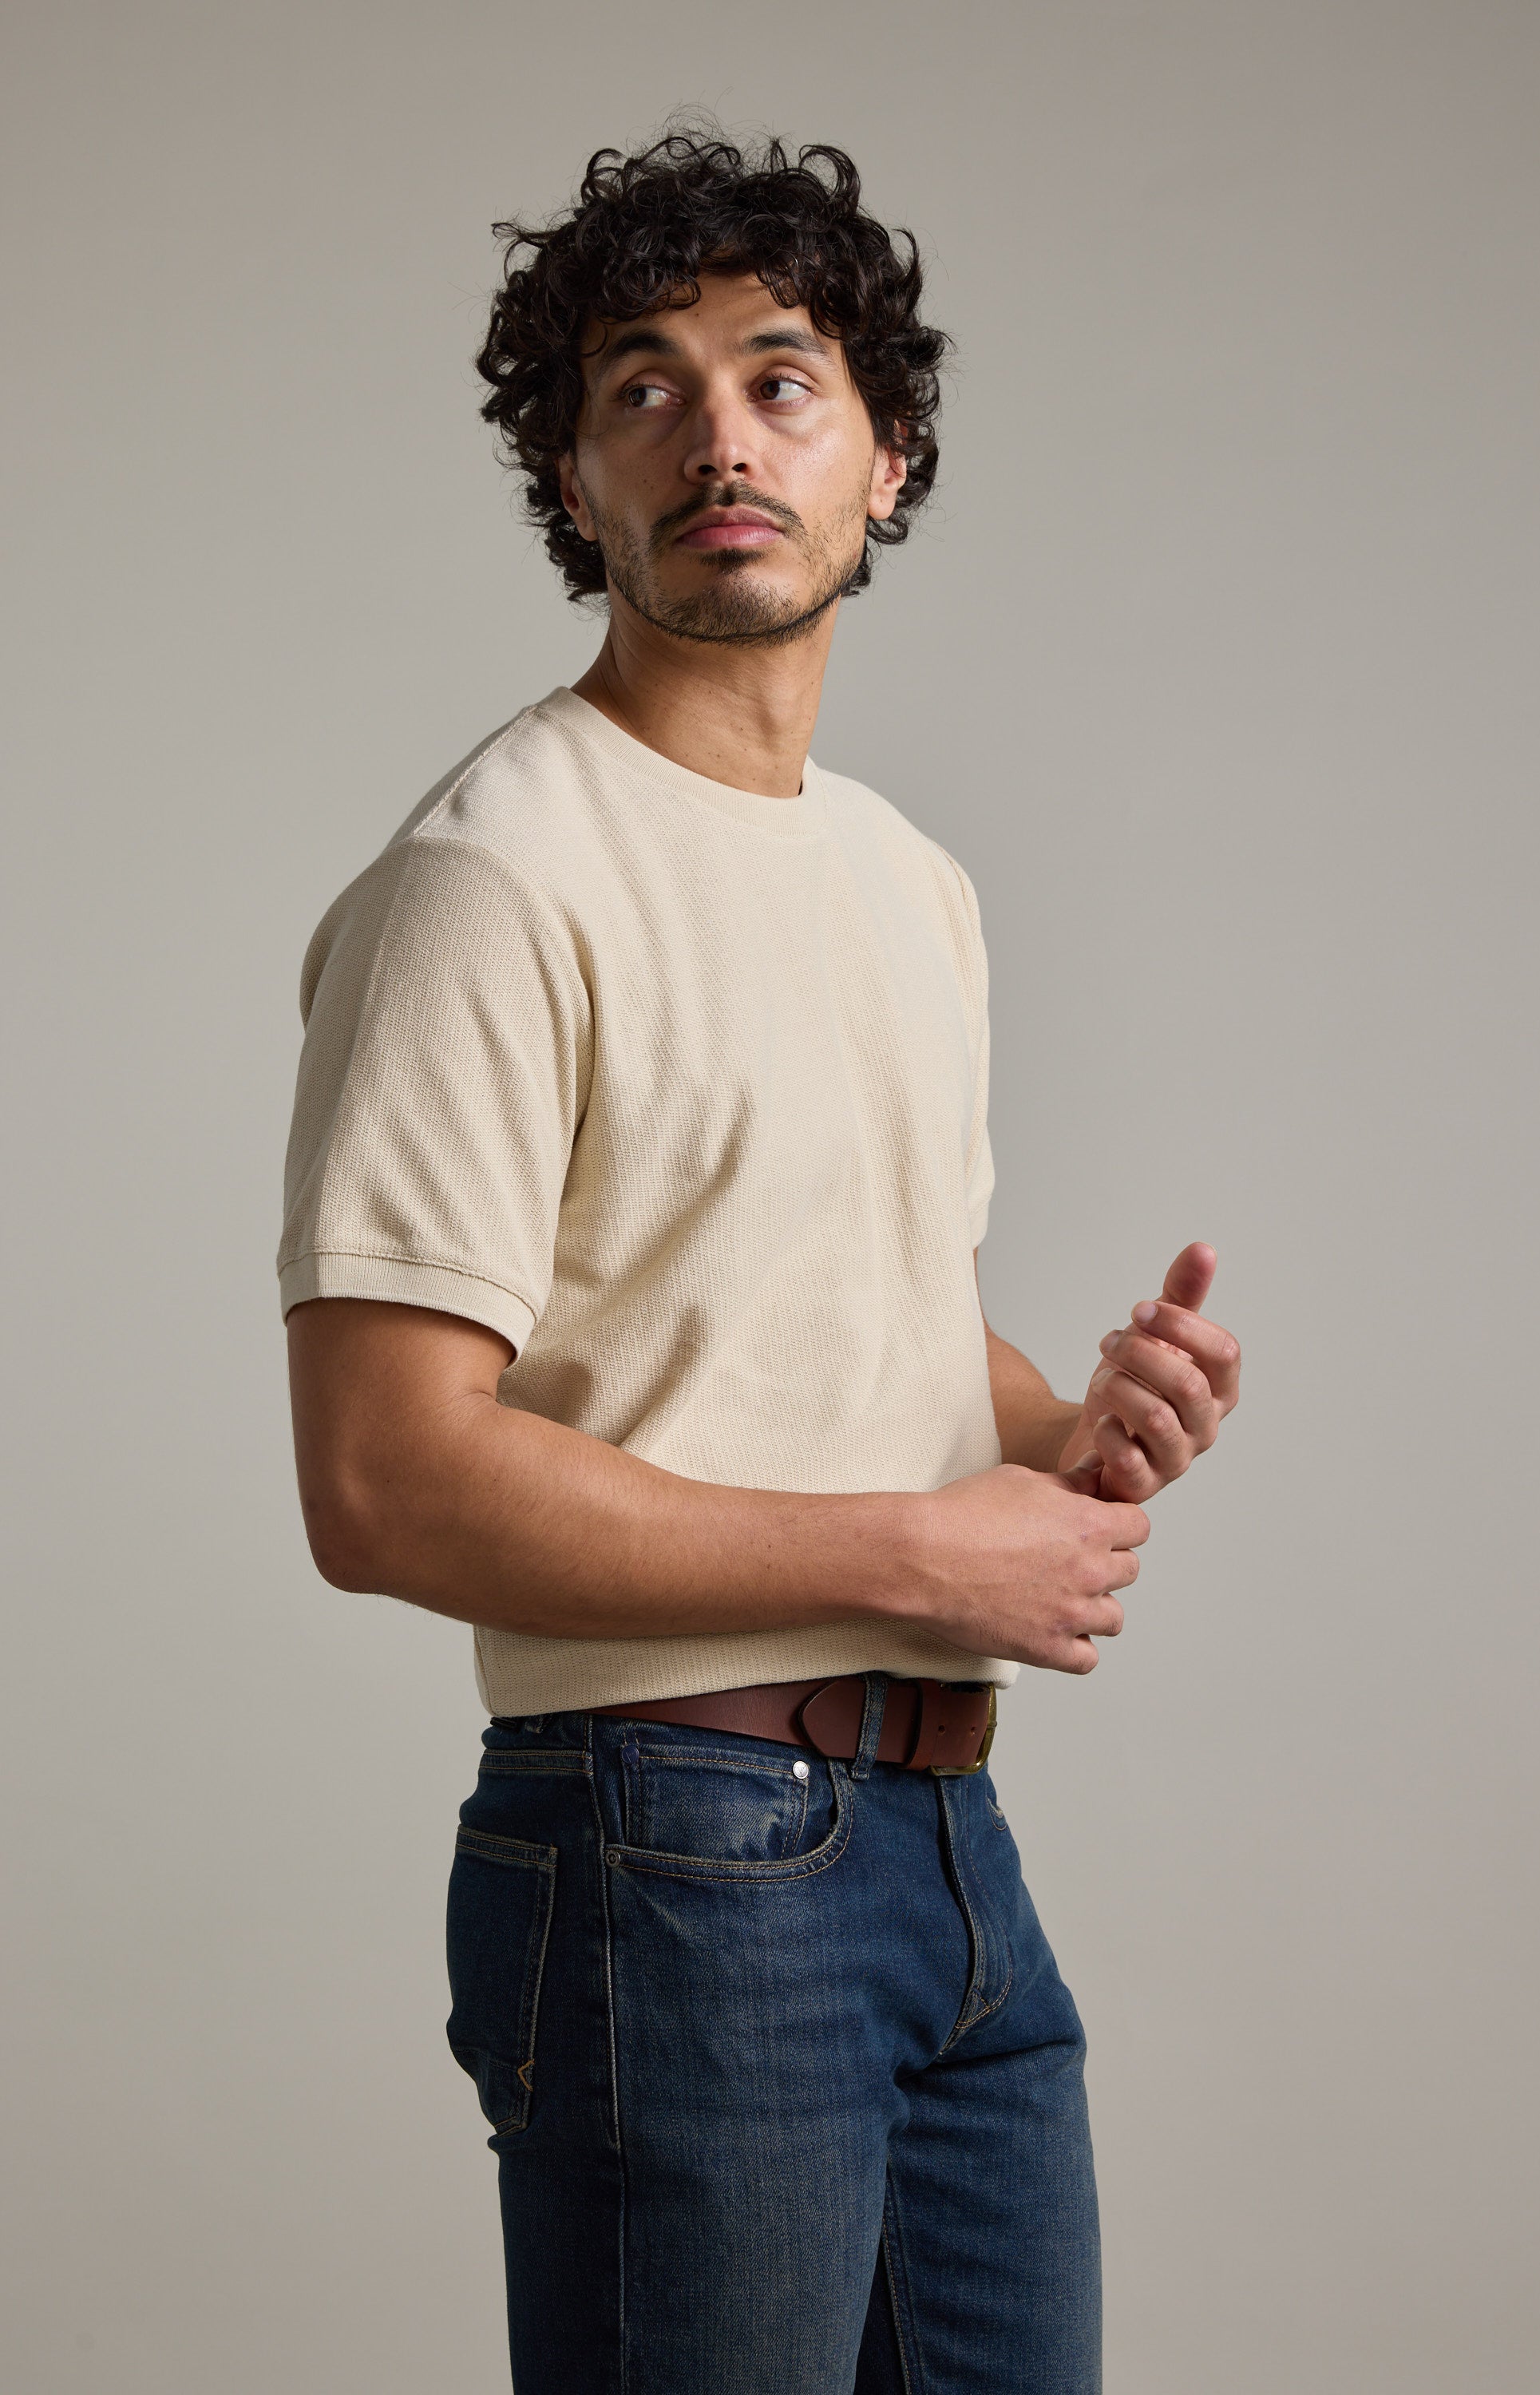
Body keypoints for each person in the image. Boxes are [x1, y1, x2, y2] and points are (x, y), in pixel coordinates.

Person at [279, 130, 1241, 2395]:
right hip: (672, 1853)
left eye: (780, 380)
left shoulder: (910, 881)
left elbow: (829, 1319)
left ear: (882, 461)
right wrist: (921, 1549)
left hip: (948, 1845)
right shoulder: (495, 878)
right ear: (574, 480)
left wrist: (1069, 1433)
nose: (718, 434)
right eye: (644, 386)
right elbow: (383, 1483)